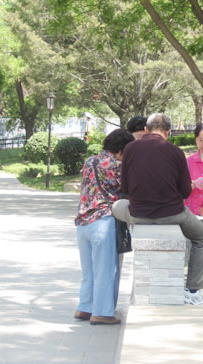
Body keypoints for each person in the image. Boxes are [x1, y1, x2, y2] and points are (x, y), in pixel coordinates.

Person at [112, 113, 203, 305]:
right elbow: (184, 191)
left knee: (117, 206)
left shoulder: (130, 149)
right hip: (173, 215)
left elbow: (124, 188)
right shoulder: (176, 152)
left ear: (146, 130)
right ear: (168, 132)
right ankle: (192, 291)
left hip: (138, 214)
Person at [74, 128, 134, 325]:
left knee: (89, 270)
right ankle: (102, 313)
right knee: (106, 269)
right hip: (103, 221)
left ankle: (85, 307)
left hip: (83, 222)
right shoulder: (117, 165)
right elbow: (128, 190)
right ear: (121, 150)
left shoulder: (90, 161)